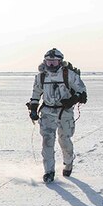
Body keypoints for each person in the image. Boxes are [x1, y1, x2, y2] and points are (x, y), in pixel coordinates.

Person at [27, 47, 87, 183]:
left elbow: (82, 91)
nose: (51, 64)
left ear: (60, 61)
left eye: (54, 61)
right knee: (47, 142)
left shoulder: (69, 75)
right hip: (47, 112)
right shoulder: (41, 76)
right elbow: (36, 94)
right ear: (45, 62)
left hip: (64, 112)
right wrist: (33, 109)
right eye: (49, 62)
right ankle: (49, 172)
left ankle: (68, 162)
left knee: (64, 140)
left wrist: (72, 100)